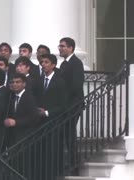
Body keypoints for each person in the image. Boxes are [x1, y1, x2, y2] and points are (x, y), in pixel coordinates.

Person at [58, 37, 84, 175]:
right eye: (59, 46)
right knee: (66, 134)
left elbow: (76, 85)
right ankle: (68, 164)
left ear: (71, 48)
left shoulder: (76, 63)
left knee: (69, 134)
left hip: (73, 105)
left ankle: (74, 165)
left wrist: (64, 98)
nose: (60, 48)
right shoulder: (63, 64)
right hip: (65, 106)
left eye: (63, 46)